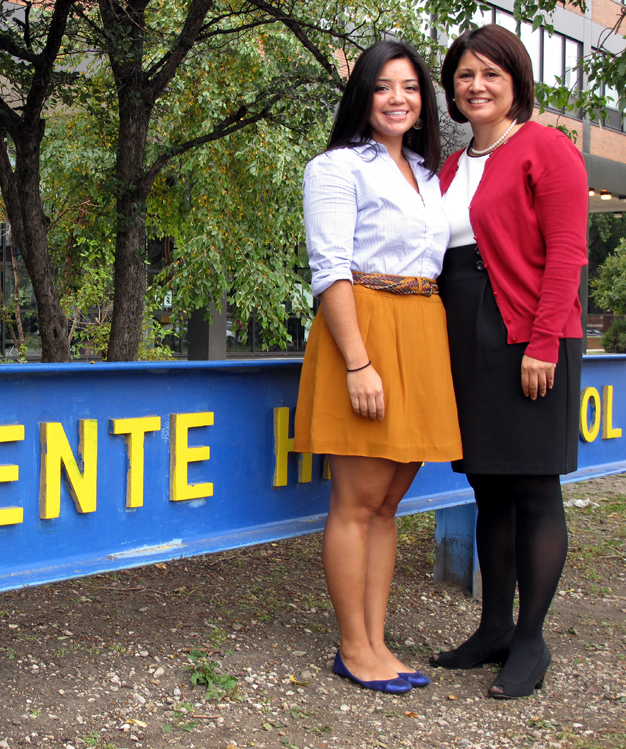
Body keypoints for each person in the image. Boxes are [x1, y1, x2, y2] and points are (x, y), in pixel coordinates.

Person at [295, 40, 463, 694]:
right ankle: (352, 647)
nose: (399, 98)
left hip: (421, 327)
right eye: (384, 87)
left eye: (411, 87)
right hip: (364, 329)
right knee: (357, 500)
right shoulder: (336, 167)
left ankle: (376, 638)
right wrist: (358, 363)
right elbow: (331, 268)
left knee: (389, 504)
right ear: (363, 96)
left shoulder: (427, 173)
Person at [431, 25, 588, 700]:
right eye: (465, 75)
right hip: (465, 333)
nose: (477, 86)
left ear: (516, 81)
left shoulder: (546, 149)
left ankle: (531, 637)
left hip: (528, 330)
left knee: (533, 485)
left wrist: (545, 340)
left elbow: (567, 254)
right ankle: (493, 626)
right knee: (487, 486)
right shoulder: (449, 166)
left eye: (491, 74)